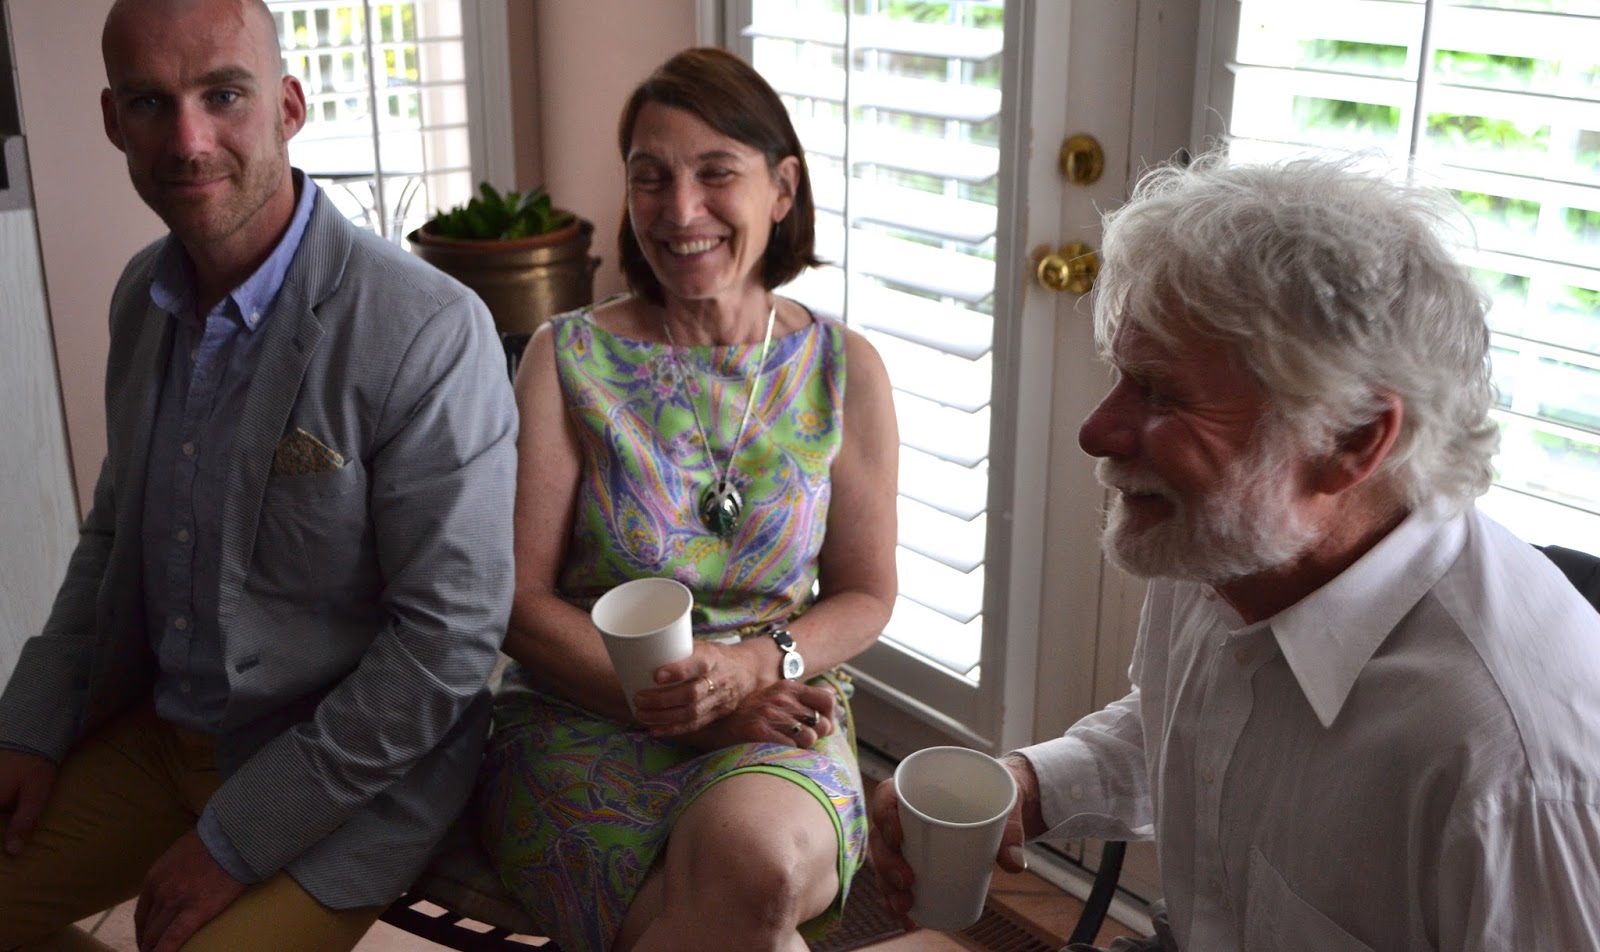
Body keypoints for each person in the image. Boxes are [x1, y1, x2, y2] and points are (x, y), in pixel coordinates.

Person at [868, 154, 1600, 950]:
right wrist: (1033, 787)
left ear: (1353, 438)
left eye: (1162, 393)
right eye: (1122, 376)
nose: (1096, 431)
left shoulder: (1516, 771)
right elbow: (1204, 730)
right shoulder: (1230, 535)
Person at [0, 0, 517, 949]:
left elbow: (445, 647)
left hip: (350, 780)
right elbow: (111, 540)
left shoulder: (428, 329)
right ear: (113, 121)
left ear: (287, 106)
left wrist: (235, 839)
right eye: (150, 103)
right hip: (164, 737)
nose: (188, 141)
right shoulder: (140, 297)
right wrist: (28, 725)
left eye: (224, 96)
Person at [477, 47, 899, 952]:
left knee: (760, 866)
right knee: (744, 919)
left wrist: (753, 668)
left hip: (777, 702)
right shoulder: (566, 358)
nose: (680, 210)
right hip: (584, 713)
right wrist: (689, 707)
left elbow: (867, 594)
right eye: (650, 177)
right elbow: (517, 601)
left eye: (716, 173)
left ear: (782, 188)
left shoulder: (843, 369)